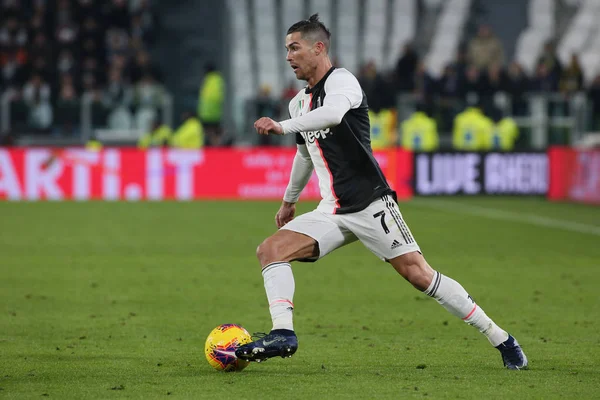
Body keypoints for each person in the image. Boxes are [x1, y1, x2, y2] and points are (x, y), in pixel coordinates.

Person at [235, 14, 528, 370]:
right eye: (286, 49)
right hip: (333, 209)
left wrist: (280, 126)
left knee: (419, 275)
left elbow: (331, 115)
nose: (288, 56)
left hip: (371, 203)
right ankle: (283, 333)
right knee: (270, 250)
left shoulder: (343, 82)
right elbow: (304, 153)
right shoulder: (299, 103)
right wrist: (289, 200)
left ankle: (502, 339)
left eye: (294, 47)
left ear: (319, 48)